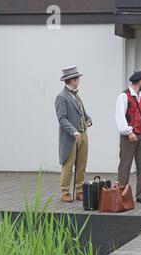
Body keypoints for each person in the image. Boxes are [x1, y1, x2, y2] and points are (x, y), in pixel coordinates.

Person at [115, 71, 141, 204]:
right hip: (129, 137)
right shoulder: (124, 96)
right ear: (140, 81)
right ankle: (120, 194)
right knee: (125, 166)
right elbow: (120, 117)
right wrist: (128, 132)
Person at [55, 66, 92, 203]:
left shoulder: (76, 94)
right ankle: (65, 192)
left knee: (82, 164)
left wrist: (88, 119)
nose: (79, 81)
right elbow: (62, 118)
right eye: (77, 79)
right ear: (70, 80)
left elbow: (82, 112)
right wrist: (74, 131)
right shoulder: (61, 96)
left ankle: (79, 190)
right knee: (68, 165)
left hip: (83, 134)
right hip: (71, 137)